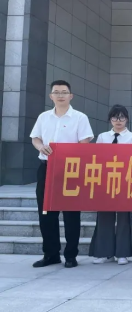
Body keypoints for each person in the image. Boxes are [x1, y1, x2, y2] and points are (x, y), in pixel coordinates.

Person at [30, 80, 94, 268]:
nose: (60, 95)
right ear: (51, 96)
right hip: (46, 168)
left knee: (71, 213)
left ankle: (71, 255)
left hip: (70, 169)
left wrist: (67, 154)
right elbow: (35, 138)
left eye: (64, 92)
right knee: (46, 213)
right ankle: (51, 254)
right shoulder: (43, 117)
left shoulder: (80, 117)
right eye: (56, 92)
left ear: (71, 96)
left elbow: (84, 142)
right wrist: (40, 146)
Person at [90, 105, 132, 266]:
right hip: (105, 180)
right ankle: (104, 253)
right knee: (104, 216)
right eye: (115, 117)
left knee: (124, 217)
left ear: (127, 119)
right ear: (110, 119)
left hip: (125, 181)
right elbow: (97, 158)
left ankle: (122, 253)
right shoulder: (103, 137)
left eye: (122, 117)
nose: (118, 121)